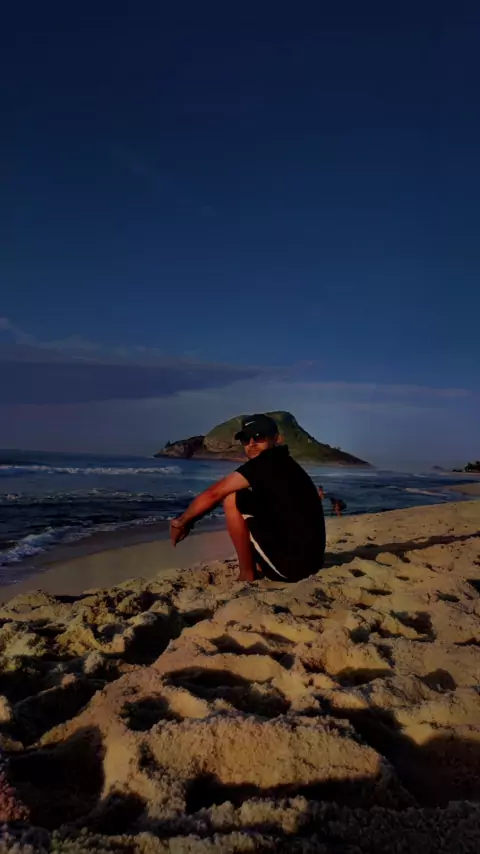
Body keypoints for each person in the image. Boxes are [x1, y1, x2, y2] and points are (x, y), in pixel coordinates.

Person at [170, 414, 326, 583]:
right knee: (252, 500)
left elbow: (214, 494)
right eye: (245, 438)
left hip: (292, 569)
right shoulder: (284, 463)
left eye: (259, 436)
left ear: (276, 439)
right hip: (312, 563)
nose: (251, 443)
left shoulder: (265, 463)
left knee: (233, 497)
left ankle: (247, 574)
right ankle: (263, 563)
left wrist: (182, 522)